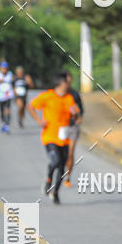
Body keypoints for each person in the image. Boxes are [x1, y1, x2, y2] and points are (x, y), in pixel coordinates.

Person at [28, 73, 80, 204]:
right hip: (49, 136)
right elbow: (31, 106)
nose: (68, 85)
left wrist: (75, 115)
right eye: (66, 83)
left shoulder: (69, 98)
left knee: (62, 168)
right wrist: (39, 121)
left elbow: (76, 117)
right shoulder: (48, 96)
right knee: (56, 161)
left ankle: (55, 192)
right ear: (60, 84)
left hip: (64, 137)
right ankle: (48, 179)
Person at [63, 70, 84, 187]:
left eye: (68, 80)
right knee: (62, 154)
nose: (67, 83)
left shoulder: (75, 95)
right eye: (65, 81)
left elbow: (81, 110)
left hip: (72, 127)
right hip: (61, 128)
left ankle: (68, 177)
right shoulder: (58, 95)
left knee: (70, 153)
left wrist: (78, 118)